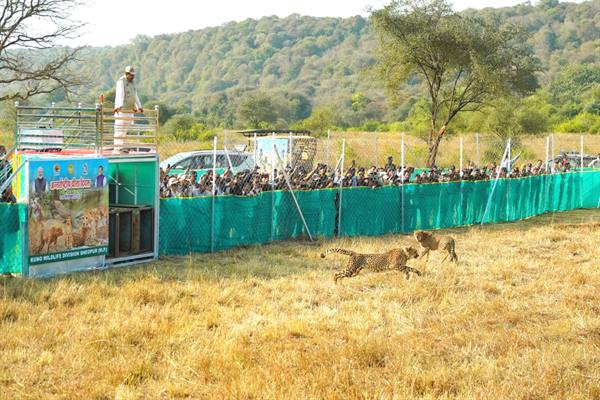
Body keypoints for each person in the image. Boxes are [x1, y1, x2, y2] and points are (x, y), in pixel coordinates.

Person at [113, 66, 143, 153]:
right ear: (126, 74)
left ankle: (122, 147)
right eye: (131, 75)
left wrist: (139, 106)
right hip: (122, 110)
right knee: (119, 129)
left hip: (130, 110)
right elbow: (120, 94)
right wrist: (119, 106)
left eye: (133, 75)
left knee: (125, 130)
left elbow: (135, 95)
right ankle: (117, 148)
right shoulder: (121, 81)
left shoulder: (133, 83)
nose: (133, 77)